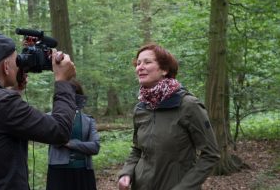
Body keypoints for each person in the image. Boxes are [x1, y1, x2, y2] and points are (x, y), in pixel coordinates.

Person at [0, 32, 76, 190]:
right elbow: (59, 131)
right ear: (5, 66)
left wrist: (15, 91)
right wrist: (63, 81)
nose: (19, 65)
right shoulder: (3, 103)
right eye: (16, 60)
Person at [117, 43, 220, 190]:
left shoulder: (188, 105)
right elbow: (138, 149)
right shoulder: (141, 108)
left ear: (164, 69)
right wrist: (126, 173)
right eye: (138, 63)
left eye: (147, 62)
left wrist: (184, 187)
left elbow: (211, 154)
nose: (140, 67)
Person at [46, 79, 100, 190]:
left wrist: (70, 144)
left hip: (84, 173)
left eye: (73, 94)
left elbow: (95, 147)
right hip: (58, 173)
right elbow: (53, 140)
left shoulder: (88, 120)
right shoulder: (50, 117)